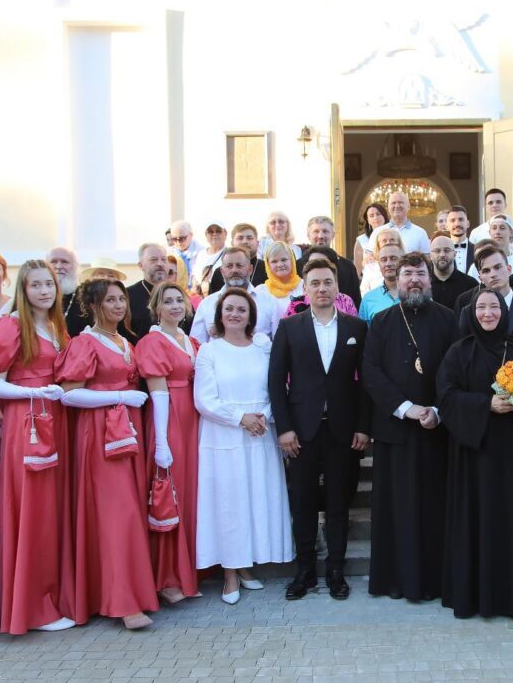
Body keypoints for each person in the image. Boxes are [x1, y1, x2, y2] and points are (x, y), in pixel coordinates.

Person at [437, 289, 513, 618]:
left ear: (504, 311)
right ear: (471, 313)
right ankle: (475, 596)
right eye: (481, 307)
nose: (488, 313)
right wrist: (485, 405)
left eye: (494, 307)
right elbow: (446, 397)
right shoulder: (459, 352)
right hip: (476, 455)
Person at [0, 259, 76, 635]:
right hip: (28, 423)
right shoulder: (11, 326)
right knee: (34, 513)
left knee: (52, 512)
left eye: (48, 284)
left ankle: (52, 597)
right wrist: (34, 391)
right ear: (23, 288)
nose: (44, 291)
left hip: (56, 420)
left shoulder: (54, 326)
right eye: (35, 285)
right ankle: (33, 607)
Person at [57, 278, 157, 630]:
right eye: (110, 300)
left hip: (128, 431)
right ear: (93, 306)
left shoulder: (125, 341)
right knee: (117, 514)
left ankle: (133, 591)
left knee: (131, 510)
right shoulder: (84, 343)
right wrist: (118, 398)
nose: (118, 305)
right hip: (100, 435)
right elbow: (68, 394)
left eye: (121, 300)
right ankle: (122, 601)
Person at [270, 259, 371, 601]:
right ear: (305, 289)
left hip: (343, 432)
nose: (322, 288)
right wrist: (284, 429)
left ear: (337, 287)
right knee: (303, 504)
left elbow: (366, 383)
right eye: (315, 283)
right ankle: (305, 571)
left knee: (339, 504)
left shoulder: (357, 328)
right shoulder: (290, 327)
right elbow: (275, 381)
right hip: (302, 432)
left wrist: (362, 425)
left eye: (328, 282)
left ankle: (337, 571)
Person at [362, 254, 455, 601]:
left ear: (430, 280)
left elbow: (454, 372)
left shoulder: (449, 320)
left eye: (420, 273)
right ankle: (397, 580)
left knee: (435, 508)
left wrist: (435, 410)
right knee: (397, 509)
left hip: (437, 431)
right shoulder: (382, 321)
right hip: (395, 432)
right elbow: (371, 373)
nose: (413, 280)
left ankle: (435, 579)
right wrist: (406, 409)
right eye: (407, 274)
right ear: (395, 279)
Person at [194, 288, 293, 603]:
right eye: (229, 309)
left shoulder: (263, 347)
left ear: (251, 315)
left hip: (259, 433)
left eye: (241, 309)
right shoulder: (210, 351)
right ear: (219, 314)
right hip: (225, 436)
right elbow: (205, 400)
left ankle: (246, 565)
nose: (235, 314)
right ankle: (229, 574)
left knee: (254, 502)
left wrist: (261, 416)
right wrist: (240, 418)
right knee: (229, 504)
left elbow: (275, 386)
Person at [137, 282, 202, 606]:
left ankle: (187, 571)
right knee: (169, 496)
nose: (175, 306)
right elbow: (158, 394)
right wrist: (161, 441)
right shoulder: (151, 343)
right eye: (168, 301)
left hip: (192, 422)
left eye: (180, 300)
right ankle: (166, 578)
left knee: (188, 496)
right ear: (156, 308)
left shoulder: (191, 342)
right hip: (169, 420)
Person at [457, 245, 513, 362]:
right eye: (486, 270)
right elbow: (464, 355)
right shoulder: (468, 313)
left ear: (509, 269)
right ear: (480, 277)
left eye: (498, 267)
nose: (493, 274)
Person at [191, 247, 280, 342]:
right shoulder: (207, 304)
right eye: (229, 266)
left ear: (250, 269)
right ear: (222, 271)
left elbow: (278, 342)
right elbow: (197, 344)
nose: (234, 270)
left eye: (239, 265)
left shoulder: (269, 301)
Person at [298, 216, 362, 307]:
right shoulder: (297, 266)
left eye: (325, 231)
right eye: (316, 231)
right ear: (308, 235)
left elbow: (356, 301)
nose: (320, 236)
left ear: (333, 235)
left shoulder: (348, 267)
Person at [286, 245, 359, 317]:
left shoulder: (345, 301)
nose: (319, 268)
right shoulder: (296, 305)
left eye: (324, 263)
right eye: (313, 264)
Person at [126, 243, 170, 344]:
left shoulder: (178, 295)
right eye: (153, 260)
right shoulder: (127, 296)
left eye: (164, 259)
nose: (160, 264)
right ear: (141, 265)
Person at [208, 223, 270, 293]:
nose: (245, 241)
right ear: (232, 243)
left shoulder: (268, 269)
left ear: (257, 243)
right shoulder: (219, 272)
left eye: (249, 238)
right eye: (240, 238)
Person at [468, 188, 513, 256]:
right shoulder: (476, 233)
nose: (494, 205)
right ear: (486, 207)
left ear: (505, 205)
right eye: (490, 203)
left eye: (498, 202)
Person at [359, 242, 405, 324]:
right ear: (379, 264)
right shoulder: (368, 299)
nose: (388, 264)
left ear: (403, 262)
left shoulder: (417, 295)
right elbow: (363, 333)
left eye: (394, 259)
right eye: (383, 260)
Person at [429, 235, 479, 311]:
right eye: (437, 251)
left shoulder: (471, 284)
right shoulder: (423, 285)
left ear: (455, 254)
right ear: (430, 256)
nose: (442, 255)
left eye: (447, 250)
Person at [47, 246, 89, 337]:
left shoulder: (86, 296)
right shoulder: (36, 296)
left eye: (64, 262)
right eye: (53, 262)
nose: (58, 266)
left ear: (74, 266)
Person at [257, 242, 304, 310]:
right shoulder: (261, 291)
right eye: (274, 261)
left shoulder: (304, 286)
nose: (280, 265)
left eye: (284, 260)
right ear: (268, 265)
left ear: (292, 261)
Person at [359, 228, 403, 296]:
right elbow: (364, 291)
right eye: (384, 241)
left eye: (392, 240)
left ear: (399, 243)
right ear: (378, 245)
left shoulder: (406, 265)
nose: (388, 243)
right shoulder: (370, 267)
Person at [191, 222, 228, 296]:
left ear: (225, 234)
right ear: (206, 235)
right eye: (211, 231)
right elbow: (194, 277)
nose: (214, 234)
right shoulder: (201, 254)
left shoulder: (229, 254)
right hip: (201, 297)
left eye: (218, 231)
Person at [353, 202, 389, 275]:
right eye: (371, 216)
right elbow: (358, 270)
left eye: (378, 214)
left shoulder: (394, 235)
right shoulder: (362, 240)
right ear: (368, 220)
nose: (375, 218)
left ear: (384, 216)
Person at [446, 205, 475, 275]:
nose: (457, 224)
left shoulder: (478, 250)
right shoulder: (442, 252)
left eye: (461, 219)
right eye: (452, 220)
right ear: (447, 226)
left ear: (468, 224)